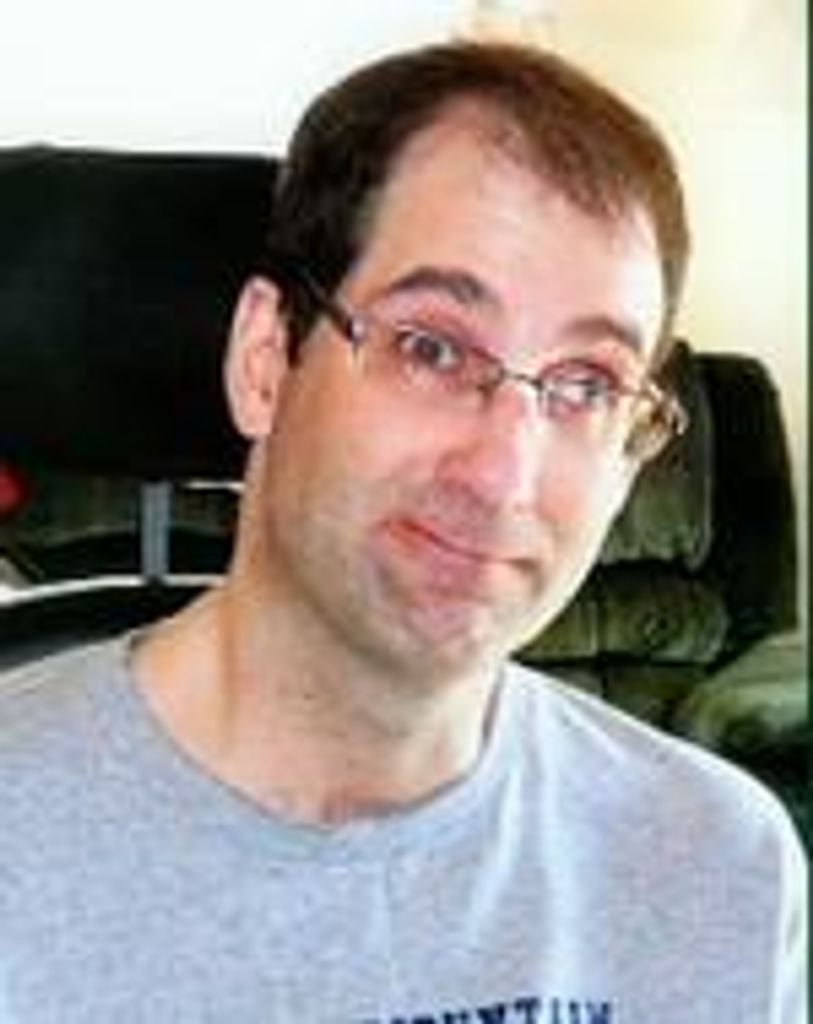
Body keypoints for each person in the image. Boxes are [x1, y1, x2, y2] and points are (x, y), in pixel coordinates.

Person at [0, 40, 805, 1024]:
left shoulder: (719, 868)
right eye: (431, 349)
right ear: (265, 360)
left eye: (587, 384)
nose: (504, 473)